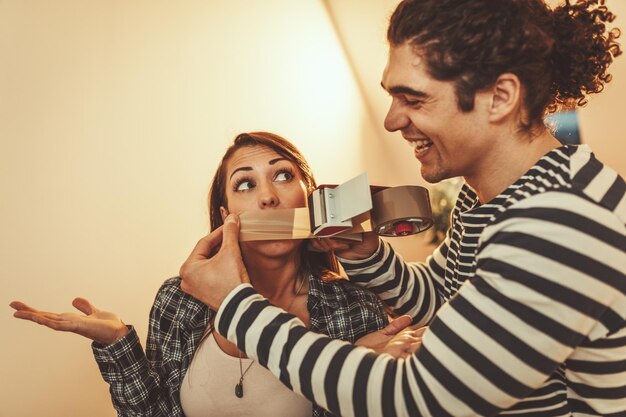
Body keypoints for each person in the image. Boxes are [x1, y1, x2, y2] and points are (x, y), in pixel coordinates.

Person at [176, 1, 626, 416]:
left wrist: (235, 305)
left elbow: (409, 396)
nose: (392, 120)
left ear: (501, 97)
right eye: (392, 97)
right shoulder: (486, 197)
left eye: (413, 99)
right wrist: (366, 253)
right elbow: (439, 299)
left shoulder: (561, 223)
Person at [10, 132, 417, 417]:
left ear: (310, 201)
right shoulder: (178, 299)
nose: (268, 196)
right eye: (245, 184)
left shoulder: (354, 307)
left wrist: (368, 379)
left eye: (282, 175)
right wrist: (119, 345)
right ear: (227, 217)